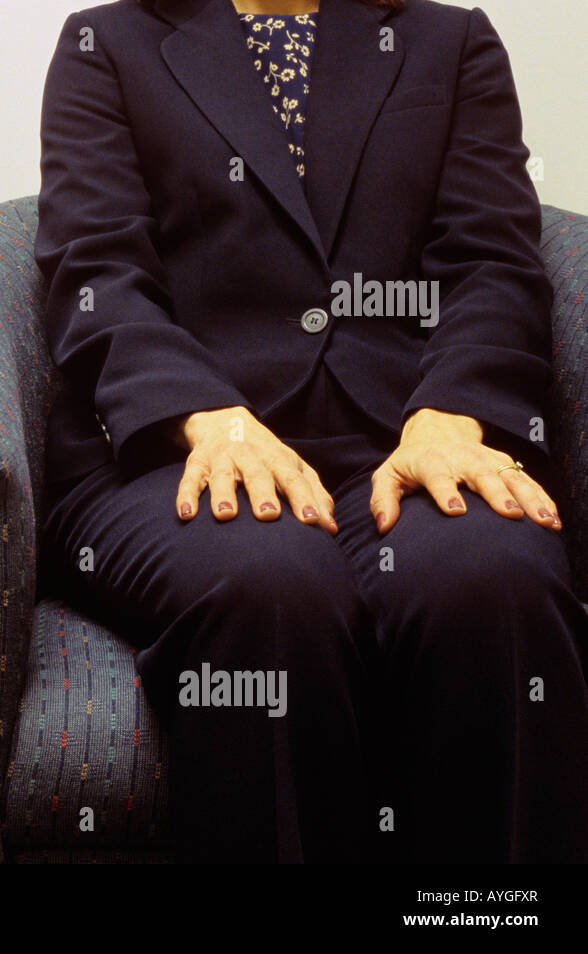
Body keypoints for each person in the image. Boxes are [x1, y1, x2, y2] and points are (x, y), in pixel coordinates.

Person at [34, 0, 588, 862]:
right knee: (271, 581)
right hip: (173, 447)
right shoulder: (106, 43)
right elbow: (95, 267)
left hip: (397, 444)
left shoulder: (453, 41)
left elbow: (495, 260)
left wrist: (450, 412)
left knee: (496, 576)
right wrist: (206, 414)